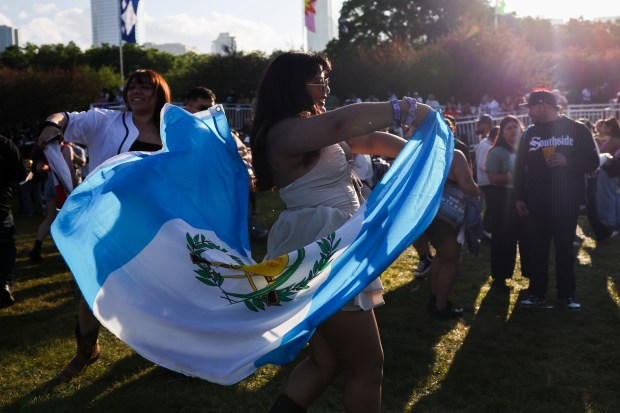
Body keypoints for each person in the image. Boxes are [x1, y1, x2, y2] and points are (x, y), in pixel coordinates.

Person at [250, 52, 432, 413]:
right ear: (292, 84)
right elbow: (344, 123)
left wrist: (430, 150)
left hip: (331, 241)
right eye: (319, 78)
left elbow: (369, 140)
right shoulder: (283, 131)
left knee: (325, 363)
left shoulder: (307, 126)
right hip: (319, 248)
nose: (326, 87)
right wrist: (406, 109)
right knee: (368, 366)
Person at [37, 69, 172, 382]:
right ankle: (86, 352)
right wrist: (50, 126)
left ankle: (167, 352)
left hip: (156, 224)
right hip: (106, 222)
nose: (136, 92)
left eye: (145, 87)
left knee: (161, 291)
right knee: (92, 290)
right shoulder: (105, 121)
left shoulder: (171, 130)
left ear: (158, 93)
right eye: (131, 87)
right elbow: (65, 118)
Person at [514, 90, 599, 309]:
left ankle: (567, 295)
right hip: (537, 202)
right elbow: (519, 168)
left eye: (531, 107)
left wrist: (567, 160)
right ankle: (536, 293)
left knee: (564, 251)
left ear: (544, 106)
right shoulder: (530, 133)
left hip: (565, 202)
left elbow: (593, 161)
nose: (529, 112)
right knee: (538, 251)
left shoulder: (577, 129)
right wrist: (519, 197)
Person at [420, 147, 479, 318]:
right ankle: (441, 307)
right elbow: (467, 185)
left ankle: (434, 298)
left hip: (429, 214)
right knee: (450, 261)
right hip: (448, 219)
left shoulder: (425, 152)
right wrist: (477, 192)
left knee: (440, 256)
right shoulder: (454, 154)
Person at [485, 115, 531, 289]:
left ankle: (531, 273)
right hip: (504, 199)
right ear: (502, 133)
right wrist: (514, 177)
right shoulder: (496, 152)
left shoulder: (528, 149)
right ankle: (501, 277)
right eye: (508, 128)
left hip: (527, 198)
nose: (513, 130)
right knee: (504, 239)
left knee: (529, 237)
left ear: (521, 129)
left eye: (515, 127)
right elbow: (492, 177)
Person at [28, 142, 85, 263]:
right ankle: (74, 252)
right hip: (66, 186)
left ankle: (36, 249)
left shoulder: (52, 149)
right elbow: (80, 163)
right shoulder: (72, 148)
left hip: (51, 185)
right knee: (73, 219)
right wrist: (74, 188)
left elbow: (42, 167)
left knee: (50, 217)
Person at [0, 134, 30, 308]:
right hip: (2, 207)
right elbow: (20, 174)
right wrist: (29, 172)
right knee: (6, 246)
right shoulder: (4, 144)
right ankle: (5, 283)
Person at [595, 117, 620, 235]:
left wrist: (598, 144)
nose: (604, 129)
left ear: (611, 128)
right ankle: (615, 220)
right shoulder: (614, 138)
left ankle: (608, 222)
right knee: (613, 195)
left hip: (608, 169)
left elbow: (602, 153)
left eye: (606, 127)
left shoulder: (614, 139)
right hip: (613, 170)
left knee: (606, 197)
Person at [474, 114, 494, 237]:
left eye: (481, 123)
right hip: (486, 181)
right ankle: (486, 229)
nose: (479, 126)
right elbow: (483, 164)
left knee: (489, 206)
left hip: (486, 180)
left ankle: (486, 229)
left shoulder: (485, 142)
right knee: (489, 207)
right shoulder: (485, 144)